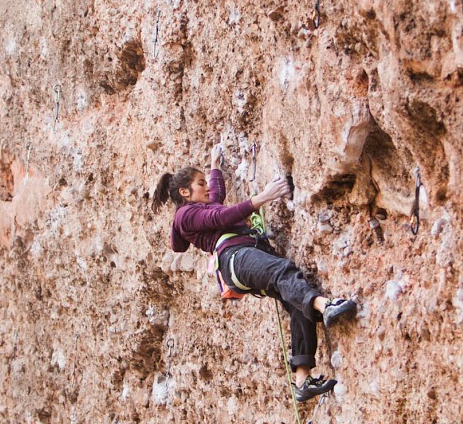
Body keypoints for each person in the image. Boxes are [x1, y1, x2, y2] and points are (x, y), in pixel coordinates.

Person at [152, 143, 356, 402]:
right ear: (185, 192)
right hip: (235, 257)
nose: (206, 187)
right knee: (282, 271)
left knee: (294, 302)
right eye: (200, 183)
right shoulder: (185, 215)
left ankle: (302, 380)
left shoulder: (199, 208)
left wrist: (215, 165)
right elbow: (221, 217)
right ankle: (326, 306)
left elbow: (216, 197)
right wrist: (263, 197)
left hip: (241, 258)